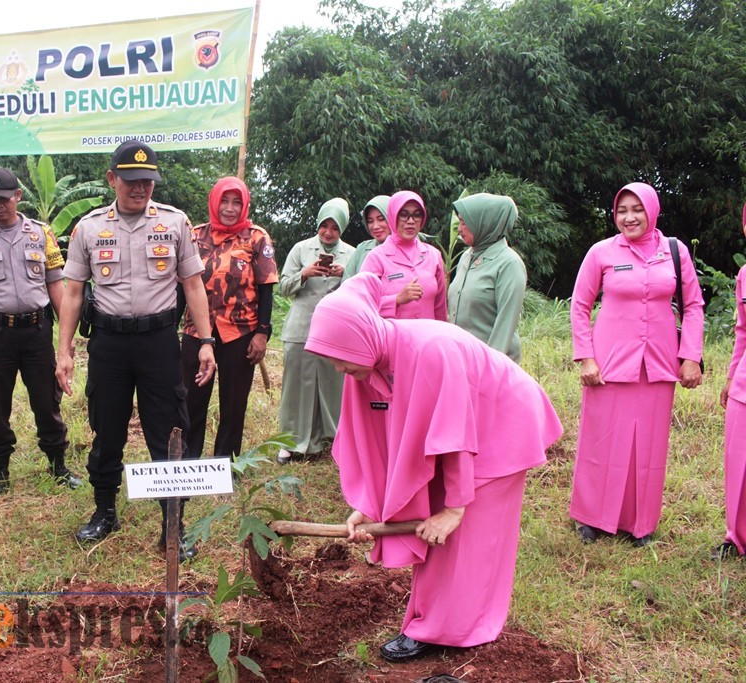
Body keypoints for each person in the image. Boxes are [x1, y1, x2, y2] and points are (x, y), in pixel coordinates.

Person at [305, 273, 562, 662]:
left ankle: (454, 631)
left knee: (467, 537)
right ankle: (433, 621)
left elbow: (456, 437)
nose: (339, 369)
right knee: (436, 531)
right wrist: (369, 506)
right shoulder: (368, 363)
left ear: (360, 338)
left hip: (498, 425)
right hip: (462, 434)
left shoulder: (430, 350)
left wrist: (456, 507)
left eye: (340, 358)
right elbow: (377, 441)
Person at [56, 140, 216, 559]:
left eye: (147, 181)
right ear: (112, 179)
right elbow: (73, 293)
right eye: (130, 180)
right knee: (106, 429)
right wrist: (65, 350)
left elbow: (193, 285)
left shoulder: (175, 222)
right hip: (108, 344)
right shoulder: (88, 228)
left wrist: (205, 341)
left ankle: (173, 525)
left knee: (168, 431)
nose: (140, 188)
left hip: (159, 343)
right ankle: (104, 511)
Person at [569, 182, 703, 547]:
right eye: (622, 210)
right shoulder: (602, 252)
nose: (629, 217)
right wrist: (586, 357)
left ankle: (640, 523)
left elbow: (692, 306)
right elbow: (580, 306)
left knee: (649, 445)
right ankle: (591, 517)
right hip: (609, 363)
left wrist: (690, 356)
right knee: (601, 439)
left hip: (658, 363)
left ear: (652, 210)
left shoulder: (673, 252)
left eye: (637, 209)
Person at [0, 167, 81, 500]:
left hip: (37, 331)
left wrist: (65, 343)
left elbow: (57, 285)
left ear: (18, 196)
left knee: (47, 400)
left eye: (4, 199)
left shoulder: (42, 235)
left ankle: (58, 466)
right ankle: (0, 474)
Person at [180, 176, 279, 460]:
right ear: (214, 201)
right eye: (224, 200)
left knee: (234, 404)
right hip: (196, 332)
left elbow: (266, 287)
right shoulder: (195, 235)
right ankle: (189, 463)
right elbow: (181, 286)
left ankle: (225, 465)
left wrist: (262, 333)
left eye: (237, 202)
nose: (230, 208)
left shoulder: (256, 238)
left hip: (240, 333)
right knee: (191, 399)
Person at [276, 198, 355, 463]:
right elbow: (283, 287)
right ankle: (290, 440)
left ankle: (333, 440)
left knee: (334, 386)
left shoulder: (353, 254)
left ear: (342, 229)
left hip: (335, 330)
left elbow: (361, 290)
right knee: (296, 385)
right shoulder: (301, 249)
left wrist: (345, 274)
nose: (329, 232)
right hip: (302, 326)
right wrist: (305, 273)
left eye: (335, 227)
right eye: (324, 226)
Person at [447, 193, 526, 361]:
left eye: (464, 222)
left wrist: (488, 368)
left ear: (484, 223)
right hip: (461, 360)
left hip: (490, 367)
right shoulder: (466, 256)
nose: (459, 229)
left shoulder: (508, 264)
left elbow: (505, 324)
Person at [360, 190, 447, 320]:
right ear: (393, 217)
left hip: (428, 337)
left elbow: (440, 308)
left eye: (416, 215)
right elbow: (361, 304)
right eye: (403, 215)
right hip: (391, 338)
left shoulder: (433, 255)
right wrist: (396, 299)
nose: (410, 221)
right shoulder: (376, 257)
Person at [716, 203, 746, 560]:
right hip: (742, 384)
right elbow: (742, 332)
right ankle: (735, 537)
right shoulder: (743, 276)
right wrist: (730, 376)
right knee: (737, 461)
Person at [341, 195, 391, 279]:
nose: (375, 226)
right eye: (370, 221)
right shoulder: (362, 249)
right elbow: (347, 284)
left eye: (381, 219)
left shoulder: (414, 246)